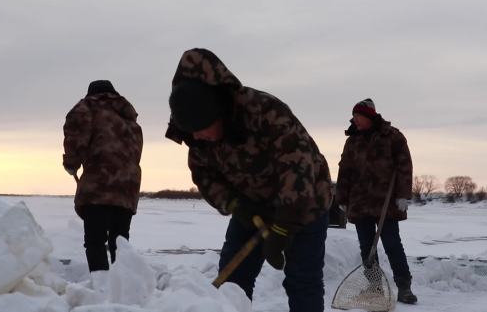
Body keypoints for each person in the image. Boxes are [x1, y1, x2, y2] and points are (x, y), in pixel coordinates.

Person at [166, 49, 333, 312]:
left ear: (219, 111)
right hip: (251, 206)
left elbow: (298, 168)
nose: (198, 137)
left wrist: (283, 227)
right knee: (232, 282)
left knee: (303, 282)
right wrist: (235, 205)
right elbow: (205, 177)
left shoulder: (265, 113)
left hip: (305, 203)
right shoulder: (197, 138)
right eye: (192, 131)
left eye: (203, 127)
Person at [334, 98, 417, 304]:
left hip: (385, 203)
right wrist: (342, 198)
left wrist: (403, 195)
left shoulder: (392, 137)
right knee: (366, 247)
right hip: (360, 202)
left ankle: (404, 286)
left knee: (392, 244)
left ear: (369, 116)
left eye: (358, 116)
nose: (355, 120)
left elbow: (405, 167)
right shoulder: (352, 141)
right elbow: (344, 171)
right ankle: (375, 287)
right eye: (353, 117)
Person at [63, 80, 143, 273]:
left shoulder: (87, 107)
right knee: (120, 242)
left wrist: (71, 164)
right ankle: (123, 286)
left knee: (95, 241)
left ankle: (102, 288)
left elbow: (75, 136)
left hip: (98, 186)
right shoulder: (129, 118)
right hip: (127, 189)